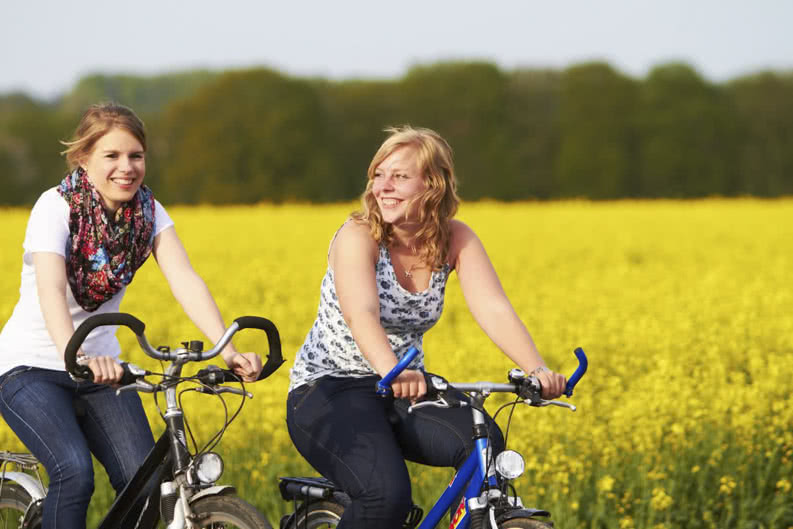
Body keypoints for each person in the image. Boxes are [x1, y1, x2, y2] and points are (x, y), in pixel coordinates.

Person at [286, 125, 567, 528]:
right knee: (386, 495)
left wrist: (536, 369)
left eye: (399, 176)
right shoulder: (358, 235)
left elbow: (492, 307)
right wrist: (391, 369)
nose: (384, 186)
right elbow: (360, 312)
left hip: (403, 386)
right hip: (329, 388)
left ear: (434, 185)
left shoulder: (455, 238)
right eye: (379, 175)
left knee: (483, 444)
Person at [0, 102, 263, 529]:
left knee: (143, 479)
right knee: (74, 472)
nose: (126, 167)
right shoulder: (56, 207)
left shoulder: (147, 212)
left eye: (135, 155)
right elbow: (50, 290)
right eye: (112, 156)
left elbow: (185, 279)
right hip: (31, 368)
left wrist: (227, 349)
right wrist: (80, 357)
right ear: (83, 159)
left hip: (104, 373)